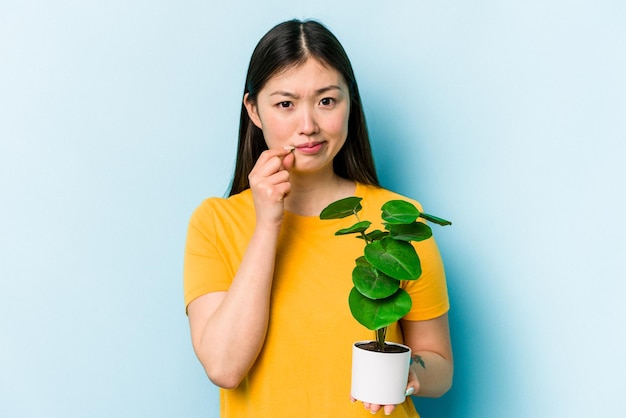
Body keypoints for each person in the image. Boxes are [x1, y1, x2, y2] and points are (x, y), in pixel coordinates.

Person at [183, 19, 453, 417]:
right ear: (253, 110)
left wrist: (406, 372)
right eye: (285, 104)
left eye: (327, 101)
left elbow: (440, 366)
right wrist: (268, 223)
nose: (308, 126)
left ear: (350, 103)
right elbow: (224, 367)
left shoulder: (398, 221)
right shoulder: (215, 223)